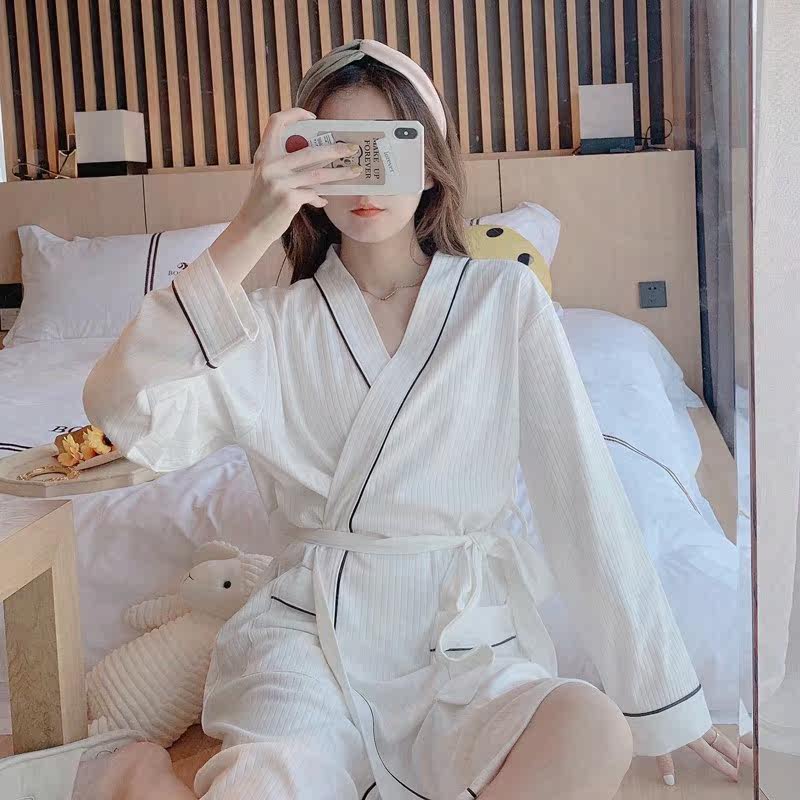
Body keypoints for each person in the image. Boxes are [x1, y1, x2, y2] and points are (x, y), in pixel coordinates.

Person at [2, 39, 738, 800]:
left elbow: (583, 499)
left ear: (431, 163)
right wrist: (251, 224)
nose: (364, 173)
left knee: (593, 728)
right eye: (336, 150)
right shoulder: (268, 326)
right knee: (270, 780)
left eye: (391, 143)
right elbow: (122, 413)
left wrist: (662, 697)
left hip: (460, 641)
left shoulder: (502, 302)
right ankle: (136, 770)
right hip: (309, 634)